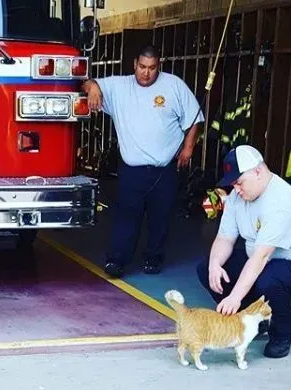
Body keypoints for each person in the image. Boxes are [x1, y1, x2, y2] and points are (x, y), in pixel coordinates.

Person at [82, 44, 204, 278]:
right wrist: (94, 86)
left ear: (159, 66)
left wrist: (188, 149)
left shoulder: (174, 85)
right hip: (132, 171)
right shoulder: (118, 86)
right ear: (134, 64)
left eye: (152, 68)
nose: (146, 73)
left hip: (165, 169)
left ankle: (153, 259)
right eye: (142, 67)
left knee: (161, 219)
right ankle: (116, 261)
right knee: (126, 218)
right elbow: (83, 81)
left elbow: (194, 118)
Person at [196, 145, 291, 359]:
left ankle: (283, 332)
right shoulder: (238, 198)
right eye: (233, 184)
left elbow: (261, 257)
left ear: (257, 171)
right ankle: (255, 321)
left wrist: (234, 298)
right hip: (263, 263)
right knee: (206, 268)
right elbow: (225, 238)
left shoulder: (281, 201)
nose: (236, 189)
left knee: (267, 278)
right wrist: (214, 265)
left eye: (239, 182)